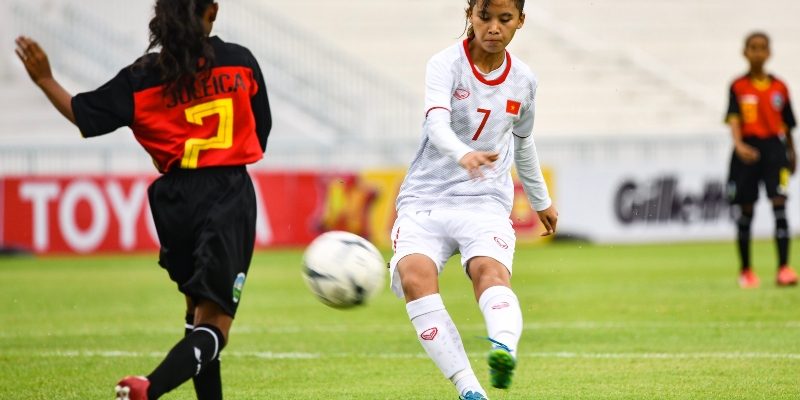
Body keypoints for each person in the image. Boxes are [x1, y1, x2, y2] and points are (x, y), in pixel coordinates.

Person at [15, 1, 271, 399]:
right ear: (213, 11)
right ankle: (148, 389)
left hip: (175, 202)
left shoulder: (141, 77)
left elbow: (84, 114)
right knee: (215, 327)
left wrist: (45, 79)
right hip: (227, 196)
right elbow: (261, 130)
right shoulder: (240, 62)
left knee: (195, 313)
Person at [388, 1, 557, 399]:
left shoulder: (524, 80)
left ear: (520, 21)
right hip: (425, 198)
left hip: (484, 201)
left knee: (488, 272)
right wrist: (463, 154)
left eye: (504, 19)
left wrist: (540, 199)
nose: (494, 27)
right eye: (485, 17)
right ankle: (469, 388)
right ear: (470, 15)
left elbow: (523, 141)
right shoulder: (445, 64)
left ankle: (503, 349)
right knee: (414, 276)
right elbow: (436, 122)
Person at [726, 31, 798, 289]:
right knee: (746, 209)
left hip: (775, 151)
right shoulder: (738, 86)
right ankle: (746, 270)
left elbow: (787, 125)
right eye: (753, 47)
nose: (757, 52)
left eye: (762, 48)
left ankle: (784, 268)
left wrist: (792, 153)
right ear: (744, 52)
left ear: (769, 52)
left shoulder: (780, 87)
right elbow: (734, 120)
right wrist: (739, 146)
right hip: (747, 150)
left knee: (780, 204)